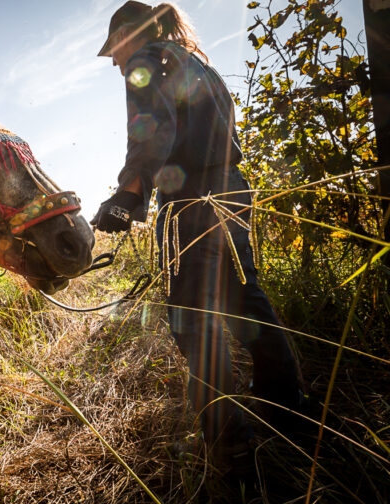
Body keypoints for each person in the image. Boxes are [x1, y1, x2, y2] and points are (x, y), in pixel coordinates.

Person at [91, 1, 305, 471]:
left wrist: (128, 194)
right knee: (244, 296)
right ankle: (287, 409)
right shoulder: (196, 64)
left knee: (193, 318)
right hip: (232, 190)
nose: (112, 60)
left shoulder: (146, 60)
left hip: (191, 202)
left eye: (113, 47)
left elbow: (152, 129)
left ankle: (230, 444)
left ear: (129, 32)